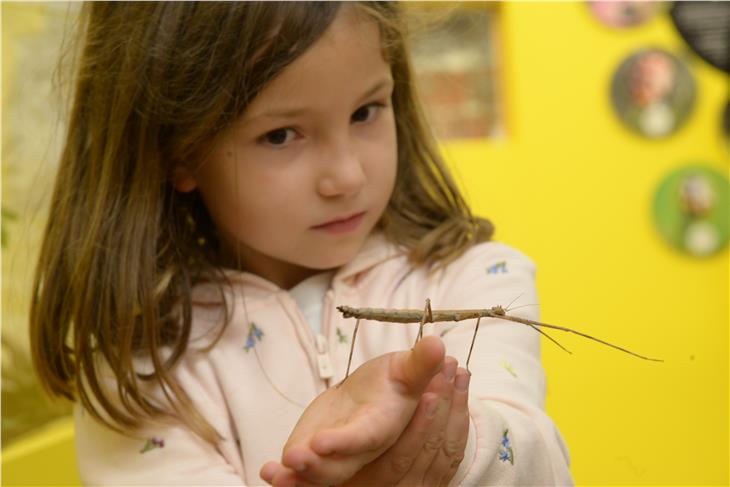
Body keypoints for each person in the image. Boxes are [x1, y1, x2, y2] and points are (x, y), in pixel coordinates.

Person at [30, 2, 573, 486]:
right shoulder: (144, 367)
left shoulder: (480, 275)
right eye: (281, 134)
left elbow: (536, 458)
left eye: (365, 112)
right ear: (179, 149)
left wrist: (452, 450)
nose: (347, 177)